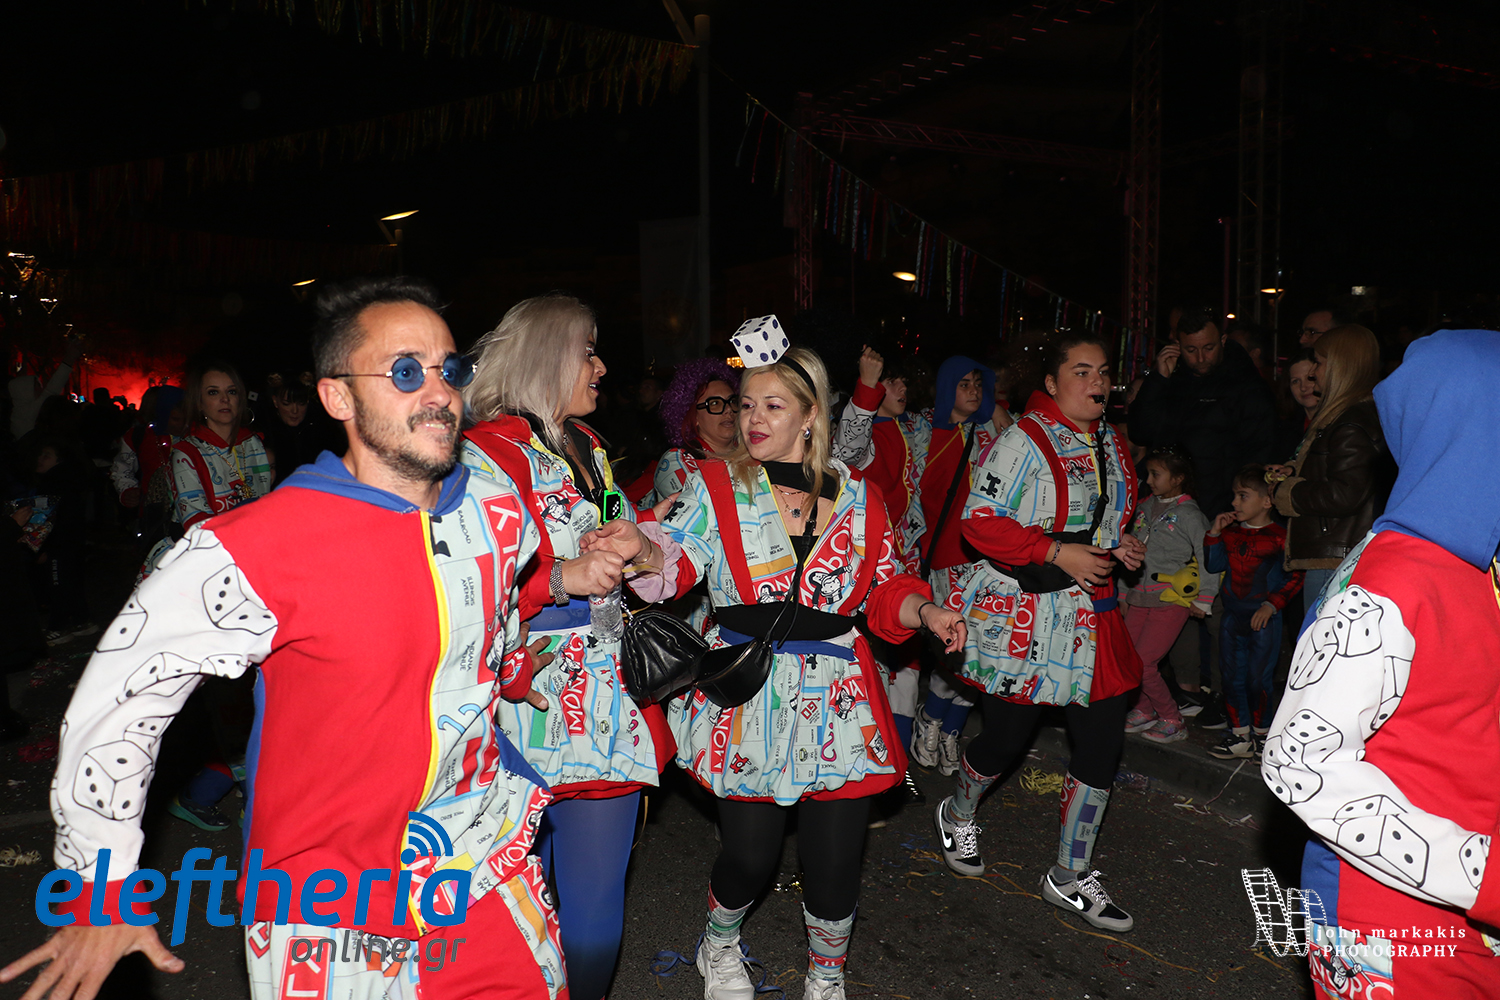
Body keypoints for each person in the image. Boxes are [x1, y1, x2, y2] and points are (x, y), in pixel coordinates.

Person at [0, 275, 566, 1000]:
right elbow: (119, 701)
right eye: (404, 371)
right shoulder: (254, 548)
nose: (439, 393)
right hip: (332, 906)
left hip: (486, 866)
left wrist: (511, 660)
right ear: (337, 397)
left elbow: (492, 614)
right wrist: (97, 889)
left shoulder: (497, 509)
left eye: (449, 369)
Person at [592, 338, 966, 1000]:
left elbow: (885, 586)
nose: (753, 419)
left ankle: (827, 976)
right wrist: (641, 551)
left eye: (772, 405)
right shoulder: (714, 486)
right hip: (748, 696)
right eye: (745, 405)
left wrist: (926, 610)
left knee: (836, 861)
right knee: (750, 856)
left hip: (839, 700)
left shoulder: (861, 497)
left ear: (811, 414)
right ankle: (719, 943)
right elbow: (677, 560)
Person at [1262, 329, 1500, 999]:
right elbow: (1300, 764)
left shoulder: (1480, 566)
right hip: (1393, 925)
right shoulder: (1390, 583)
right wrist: (1483, 875)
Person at [460, 293, 665, 1000]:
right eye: (589, 351)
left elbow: (614, 540)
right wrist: (557, 578)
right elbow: (459, 585)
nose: (602, 367)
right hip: (521, 699)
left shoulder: (590, 445)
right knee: (519, 905)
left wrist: (643, 540)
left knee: (594, 913)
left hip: (605, 695)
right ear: (547, 357)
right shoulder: (485, 453)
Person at [933, 331, 1146, 932]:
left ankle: (1069, 875)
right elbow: (979, 521)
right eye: (1081, 371)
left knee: (1101, 742)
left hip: (1095, 613)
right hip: (1027, 615)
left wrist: (1118, 544)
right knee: (1005, 740)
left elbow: (1104, 516)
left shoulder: (1111, 441)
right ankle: (958, 811)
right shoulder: (1022, 439)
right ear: (1051, 382)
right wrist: (1056, 551)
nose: (1097, 382)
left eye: (1103, 372)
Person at [831, 345, 931, 796]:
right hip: (867, 569)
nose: (901, 388)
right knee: (866, 672)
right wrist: (867, 387)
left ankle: (899, 768)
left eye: (903, 380)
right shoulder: (870, 434)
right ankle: (866, 769)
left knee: (907, 669)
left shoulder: (910, 428)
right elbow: (846, 450)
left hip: (905, 564)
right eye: (893, 381)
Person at [911, 356, 1009, 776]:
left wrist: (996, 406)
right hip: (944, 558)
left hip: (987, 560)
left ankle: (950, 729)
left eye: (977, 384)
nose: (973, 391)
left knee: (984, 652)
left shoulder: (989, 432)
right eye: (963, 383)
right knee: (955, 648)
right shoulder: (920, 430)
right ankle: (931, 718)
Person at [1266, 325, 1392, 616]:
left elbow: (1345, 493)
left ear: (1340, 367)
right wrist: (1296, 471)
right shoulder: (1349, 414)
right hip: (1339, 552)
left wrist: (1289, 491)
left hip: (1335, 558)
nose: (1312, 373)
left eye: (1319, 363)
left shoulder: (1350, 421)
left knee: (1320, 639)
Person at [1128, 306, 1277, 518]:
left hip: (1217, 511)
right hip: (1165, 508)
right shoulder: (1169, 379)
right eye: (1191, 350)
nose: (1200, 358)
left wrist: (1234, 509)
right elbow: (1140, 433)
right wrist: (1158, 380)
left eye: (1208, 348)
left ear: (1223, 341)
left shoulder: (1247, 387)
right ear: (1178, 346)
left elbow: (1259, 455)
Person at [1202, 467, 1302, 760]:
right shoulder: (1231, 534)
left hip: (1264, 619)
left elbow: (1295, 576)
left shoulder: (1281, 537)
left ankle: (1263, 735)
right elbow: (1213, 565)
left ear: (1267, 501)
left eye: (1243, 496)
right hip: (1232, 617)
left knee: (1258, 680)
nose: (1234, 502)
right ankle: (1239, 735)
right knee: (1231, 677)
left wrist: (1272, 604)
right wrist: (1214, 534)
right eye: (1234, 495)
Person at [1121, 446, 1216, 744]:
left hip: (1169, 600)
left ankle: (1172, 719)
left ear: (1178, 478)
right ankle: (1143, 709)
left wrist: (1205, 597)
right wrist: (1123, 592)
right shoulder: (1144, 507)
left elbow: (1207, 556)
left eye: (1156, 474)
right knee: (1127, 657)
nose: (1148, 480)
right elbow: (1128, 550)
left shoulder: (1190, 515)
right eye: (1148, 474)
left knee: (1144, 663)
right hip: (1139, 596)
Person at [629, 356, 741, 508]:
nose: (728, 410)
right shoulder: (677, 461)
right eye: (715, 403)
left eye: (732, 401)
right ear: (693, 416)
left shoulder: (753, 452)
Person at [171, 361, 271, 530]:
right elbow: (196, 521)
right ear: (199, 403)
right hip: (212, 542)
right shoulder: (187, 452)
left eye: (232, 391)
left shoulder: (254, 442)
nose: (225, 399)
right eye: (213, 392)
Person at [259, 371, 331, 488]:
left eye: (301, 403)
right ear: (275, 401)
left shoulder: (322, 431)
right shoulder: (263, 435)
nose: (295, 410)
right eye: (287, 403)